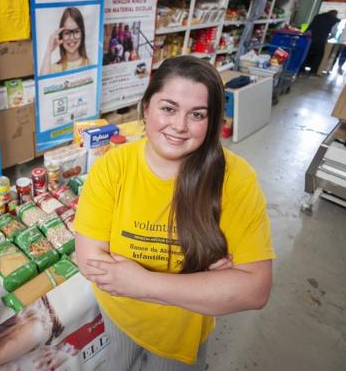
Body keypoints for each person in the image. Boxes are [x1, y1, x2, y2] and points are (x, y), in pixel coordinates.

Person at [74, 56, 275, 371]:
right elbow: (89, 260)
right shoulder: (113, 167)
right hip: (120, 313)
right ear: (146, 109)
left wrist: (141, 283)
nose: (180, 126)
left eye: (196, 114)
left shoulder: (235, 179)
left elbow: (255, 290)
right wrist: (203, 282)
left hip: (182, 332)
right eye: (168, 108)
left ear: (211, 122)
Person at [40, 7, 90, 75]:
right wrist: (49, 50)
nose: (72, 37)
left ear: (82, 34)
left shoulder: (89, 64)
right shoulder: (53, 68)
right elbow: (43, 83)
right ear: (61, 36)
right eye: (67, 33)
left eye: (76, 31)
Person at [303, 10, 339, 74]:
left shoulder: (318, 17)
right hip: (321, 40)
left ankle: (302, 69)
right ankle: (313, 71)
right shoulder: (334, 20)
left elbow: (310, 26)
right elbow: (333, 32)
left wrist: (305, 34)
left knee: (307, 54)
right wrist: (329, 37)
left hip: (311, 38)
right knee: (318, 56)